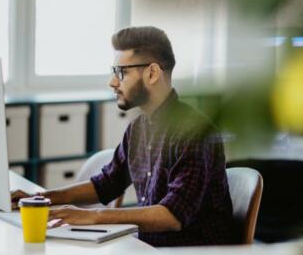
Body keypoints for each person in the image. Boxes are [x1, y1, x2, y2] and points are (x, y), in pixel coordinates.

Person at [12, 26, 233, 246]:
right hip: (147, 247)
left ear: (152, 73)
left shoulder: (194, 132)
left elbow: (172, 216)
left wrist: (94, 216)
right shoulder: (138, 128)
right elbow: (107, 184)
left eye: (122, 72)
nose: (112, 82)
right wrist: (43, 199)